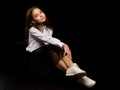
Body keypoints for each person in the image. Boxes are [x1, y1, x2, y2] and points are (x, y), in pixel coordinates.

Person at [25, 6, 96, 88]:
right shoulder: (32, 30)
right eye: (36, 15)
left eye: (41, 12)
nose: (41, 15)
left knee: (53, 50)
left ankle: (77, 74)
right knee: (54, 47)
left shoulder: (48, 29)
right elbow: (47, 39)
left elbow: (51, 40)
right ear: (33, 21)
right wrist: (63, 44)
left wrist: (63, 45)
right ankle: (78, 75)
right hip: (34, 56)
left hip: (46, 51)